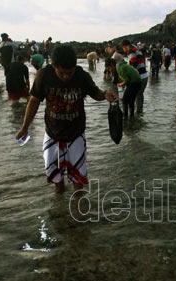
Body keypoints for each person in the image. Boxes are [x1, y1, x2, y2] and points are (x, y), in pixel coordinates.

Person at [15, 45, 117, 194]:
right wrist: (25, 127)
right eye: (62, 73)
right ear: (53, 65)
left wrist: (105, 94)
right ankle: (60, 208)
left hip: (76, 134)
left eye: (70, 72)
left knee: (78, 180)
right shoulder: (43, 75)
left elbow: (95, 93)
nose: (66, 76)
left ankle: (78, 209)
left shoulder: (81, 75)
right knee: (55, 177)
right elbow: (34, 102)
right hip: (52, 134)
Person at [105, 55, 141, 119]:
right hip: (138, 82)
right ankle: (132, 118)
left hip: (134, 83)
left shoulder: (119, 69)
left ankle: (125, 117)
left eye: (109, 68)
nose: (110, 70)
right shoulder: (120, 66)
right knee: (131, 101)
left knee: (124, 101)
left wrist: (121, 84)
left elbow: (127, 80)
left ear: (112, 65)